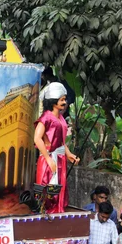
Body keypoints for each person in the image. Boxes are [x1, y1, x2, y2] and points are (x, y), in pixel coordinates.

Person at [33, 82, 79, 213]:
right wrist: (48, 158)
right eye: (62, 100)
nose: (65, 102)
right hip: (50, 158)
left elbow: (61, 141)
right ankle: (44, 215)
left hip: (60, 158)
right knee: (47, 188)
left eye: (65, 99)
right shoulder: (46, 117)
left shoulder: (61, 118)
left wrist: (69, 154)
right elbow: (37, 138)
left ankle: (56, 214)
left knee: (59, 189)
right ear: (54, 101)